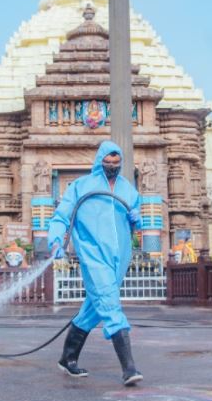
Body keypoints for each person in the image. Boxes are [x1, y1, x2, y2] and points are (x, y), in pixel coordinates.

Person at [48, 140, 144, 386]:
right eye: (107, 161)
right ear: (99, 160)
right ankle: (129, 368)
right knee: (111, 306)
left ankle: (67, 358)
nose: (112, 166)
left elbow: (136, 225)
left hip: (119, 257)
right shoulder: (82, 186)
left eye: (116, 162)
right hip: (93, 256)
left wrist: (137, 220)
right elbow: (62, 216)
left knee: (92, 310)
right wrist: (56, 241)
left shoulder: (128, 190)